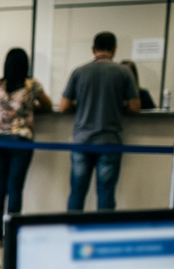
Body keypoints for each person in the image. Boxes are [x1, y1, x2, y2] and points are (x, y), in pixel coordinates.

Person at [60, 31, 140, 211]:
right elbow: (135, 107)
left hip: (82, 141)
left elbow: (64, 106)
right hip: (109, 141)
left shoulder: (79, 71)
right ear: (114, 49)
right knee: (105, 193)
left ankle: (73, 233)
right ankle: (103, 235)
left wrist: (81, 107)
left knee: (77, 192)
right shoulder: (124, 72)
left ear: (92, 49)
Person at [0, 48, 52, 246]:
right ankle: (12, 234)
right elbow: (47, 105)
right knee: (15, 189)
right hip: (21, 141)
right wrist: (29, 108)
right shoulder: (32, 85)